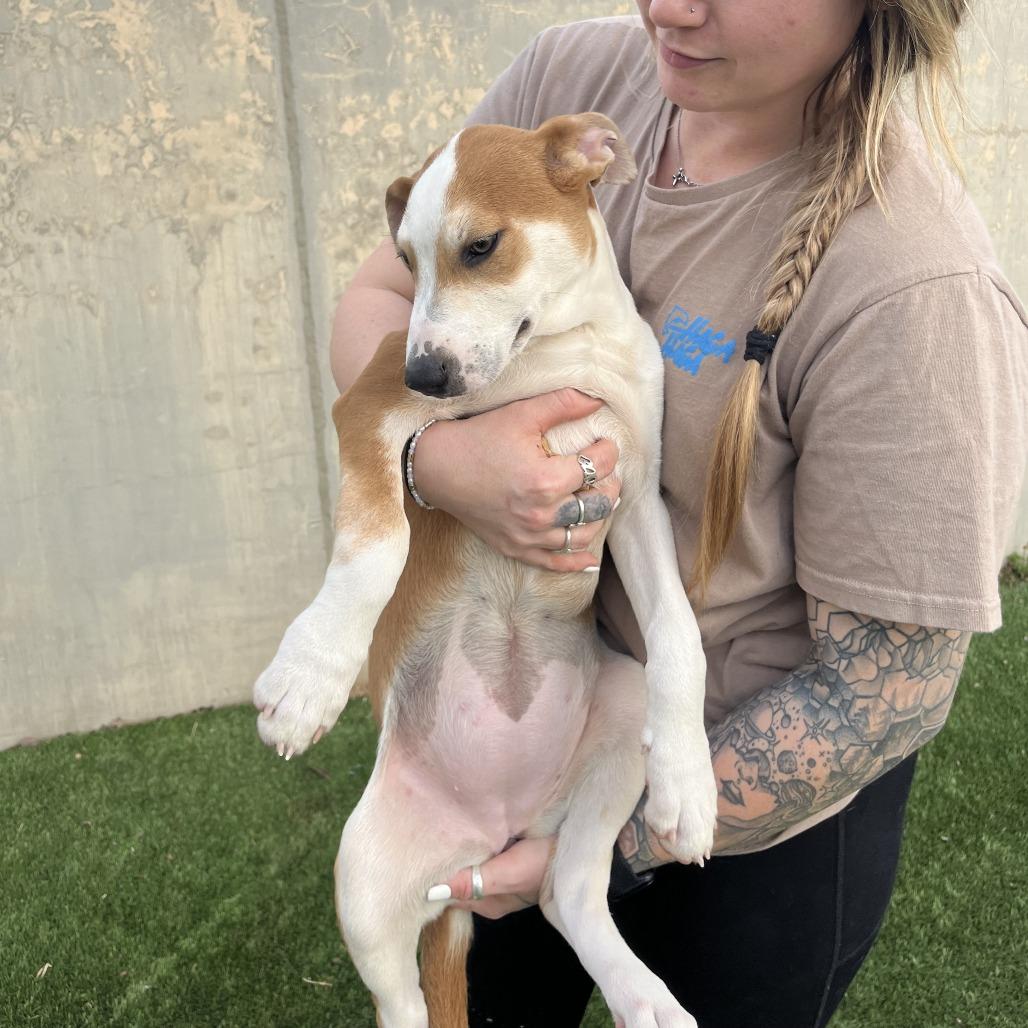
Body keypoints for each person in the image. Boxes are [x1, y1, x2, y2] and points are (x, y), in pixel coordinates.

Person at [330, 2, 1027, 1025]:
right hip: (526, 701)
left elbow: (890, 691)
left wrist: (599, 846)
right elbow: (381, 298)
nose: (667, 7)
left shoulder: (913, 289)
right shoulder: (577, 75)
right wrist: (441, 459)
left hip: (733, 820)